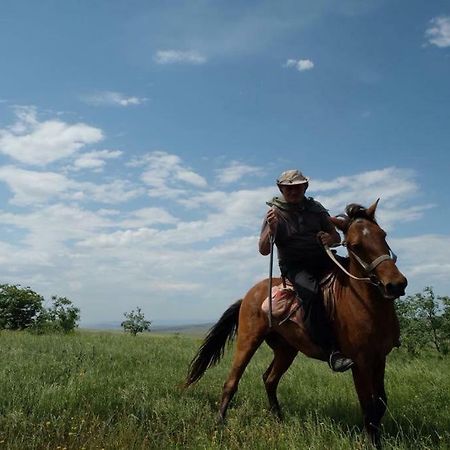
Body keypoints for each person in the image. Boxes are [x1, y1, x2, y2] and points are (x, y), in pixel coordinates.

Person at [259, 169, 354, 372]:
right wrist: (271, 229)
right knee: (311, 292)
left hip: (323, 258)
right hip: (295, 265)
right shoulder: (274, 213)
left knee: (356, 275)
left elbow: (335, 236)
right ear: (281, 189)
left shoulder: (316, 209)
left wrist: (331, 239)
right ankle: (330, 350)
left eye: (297, 187)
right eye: (288, 188)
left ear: (305, 187)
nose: (293, 191)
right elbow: (264, 250)